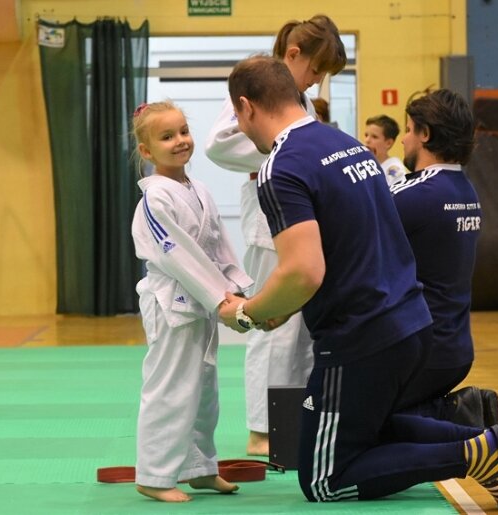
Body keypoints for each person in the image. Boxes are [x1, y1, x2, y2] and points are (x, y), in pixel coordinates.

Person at [219, 55, 498, 509]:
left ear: (245, 107)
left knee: (323, 479)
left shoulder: (281, 167)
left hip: (360, 337)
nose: (241, 130)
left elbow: (304, 270)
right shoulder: (348, 146)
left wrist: (246, 313)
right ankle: (477, 438)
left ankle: (474, 453)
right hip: (410, 321)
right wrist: (282, 304)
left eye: (237, 119)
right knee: (368, 428)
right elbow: (348, 246)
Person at [205, 14, 347, 457]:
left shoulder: (298, 100)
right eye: (317, 69)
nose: (318, 79)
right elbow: (217, 145)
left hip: (296, 215)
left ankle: (287, 428)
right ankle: (262, 432)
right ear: (292, 55)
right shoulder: (260, 88)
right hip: (270, 220)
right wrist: (277, 150)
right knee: (273, 329)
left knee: (300, 334)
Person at [130, 101, 252, 502]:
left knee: (203, 389)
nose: (180, 141)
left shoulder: (198, 190)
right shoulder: (154, 199)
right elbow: (177, 255)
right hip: (171, 302)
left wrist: (236, 288)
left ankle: (199, 468)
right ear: (147, 151)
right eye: (167, 137)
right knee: (171, 387)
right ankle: (154, 474)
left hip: (200, 299)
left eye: (183, 131)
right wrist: (220, 299)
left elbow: (218, 247)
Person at [389, 89, 498, 427]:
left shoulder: (414, 195)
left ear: (425, 134)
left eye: (408, 130)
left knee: (350, 424)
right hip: (456, 348)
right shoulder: (466, 190)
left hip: (420, 353)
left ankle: (456, 417)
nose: (403, 141)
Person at [363, 114, 408, 186]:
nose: (367, 140)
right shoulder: (365, 165)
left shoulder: (395, 170)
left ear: (388, 143)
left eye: (374, 137)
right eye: (366, 135)